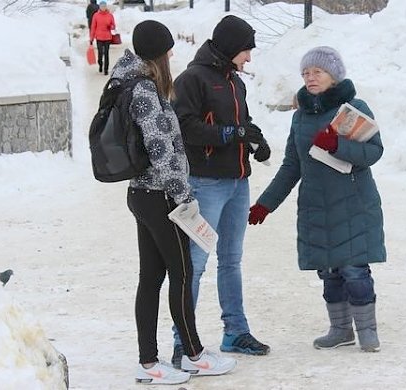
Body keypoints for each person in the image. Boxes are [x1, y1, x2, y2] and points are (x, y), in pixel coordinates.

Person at [110, 20, 236, 385]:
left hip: (141, 192)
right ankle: (193, 355)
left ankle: (148, 361)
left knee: (151, 277)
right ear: (159, 54)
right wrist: (183, 197)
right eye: (167, 51)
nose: (171, 56)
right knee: (180, 274)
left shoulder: (125, 83)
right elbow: (161, 151)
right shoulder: (146, 91)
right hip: (160, 196)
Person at [248, 46, 386, 352]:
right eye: (305, 73)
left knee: (355, 271)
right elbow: (291, 166)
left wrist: (338, 145)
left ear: (333, 76)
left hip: (353, 205)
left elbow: (374, 153)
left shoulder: (354, 107)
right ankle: (340, 330)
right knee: (330, 271)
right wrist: (265, 203)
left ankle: (367, 331)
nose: (310, 78)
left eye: (317, 72)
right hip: (316, 208)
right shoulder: (300, 117)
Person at [170, 15, 271, 367]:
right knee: (194, 264)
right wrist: (232, 135)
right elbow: (185, 128)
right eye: (246, 51)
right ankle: (184, 342)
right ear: (231, 47)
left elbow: (240, 124)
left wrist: (256, 139)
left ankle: (235, 332)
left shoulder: (234, 82)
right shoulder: (192, 79)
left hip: (237, 183)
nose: (249, 59)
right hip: (206, 184)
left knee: (231, 260)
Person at [89, 1, 115, 75]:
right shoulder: (96, 15)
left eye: (104, 6)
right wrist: (91, 38)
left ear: (106, 7)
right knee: (100, 53)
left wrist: (111, 26)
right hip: (99, 37)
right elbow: (93, 27)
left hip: (107, 37)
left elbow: (113, 25)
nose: (103, 8)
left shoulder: (110, 15)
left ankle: (106, 69)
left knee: (106, 54)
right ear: (99, 7)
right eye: (102, 6)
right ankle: (100, 64)